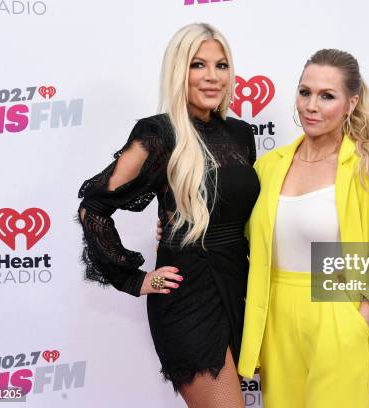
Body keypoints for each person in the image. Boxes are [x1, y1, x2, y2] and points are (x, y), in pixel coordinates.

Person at [76, 23, 259, 408]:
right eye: (198, 65)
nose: (212, 76)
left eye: (221, 65)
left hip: (240, 286)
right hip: (188, 295)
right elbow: (93, 205)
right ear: (179, 70)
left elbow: (234, 209)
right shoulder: (158, 134)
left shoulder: (242, 134)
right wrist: (135, 279)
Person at [237, 49, 369, 407]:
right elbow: (238, 237)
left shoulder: (367, 168)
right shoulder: (269, 166)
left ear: (351, 102)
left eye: (327, 96)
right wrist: (175, 228)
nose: (311, 106)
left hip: (336, 313)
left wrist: (358, 320)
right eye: (305, 92)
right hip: (275, 319)